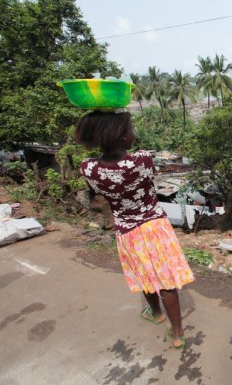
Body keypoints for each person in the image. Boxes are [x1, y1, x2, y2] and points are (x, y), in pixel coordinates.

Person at [76, 111, 194, 349]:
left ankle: (156, 313)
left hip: (128, 231)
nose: (134, 135)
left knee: (144, 276)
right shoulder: (143, 160)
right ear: (120, 137)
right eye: (129, 131)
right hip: (154, 226)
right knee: (166, 282)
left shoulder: (88, 168)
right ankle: (178, 333)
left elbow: (99, 191)